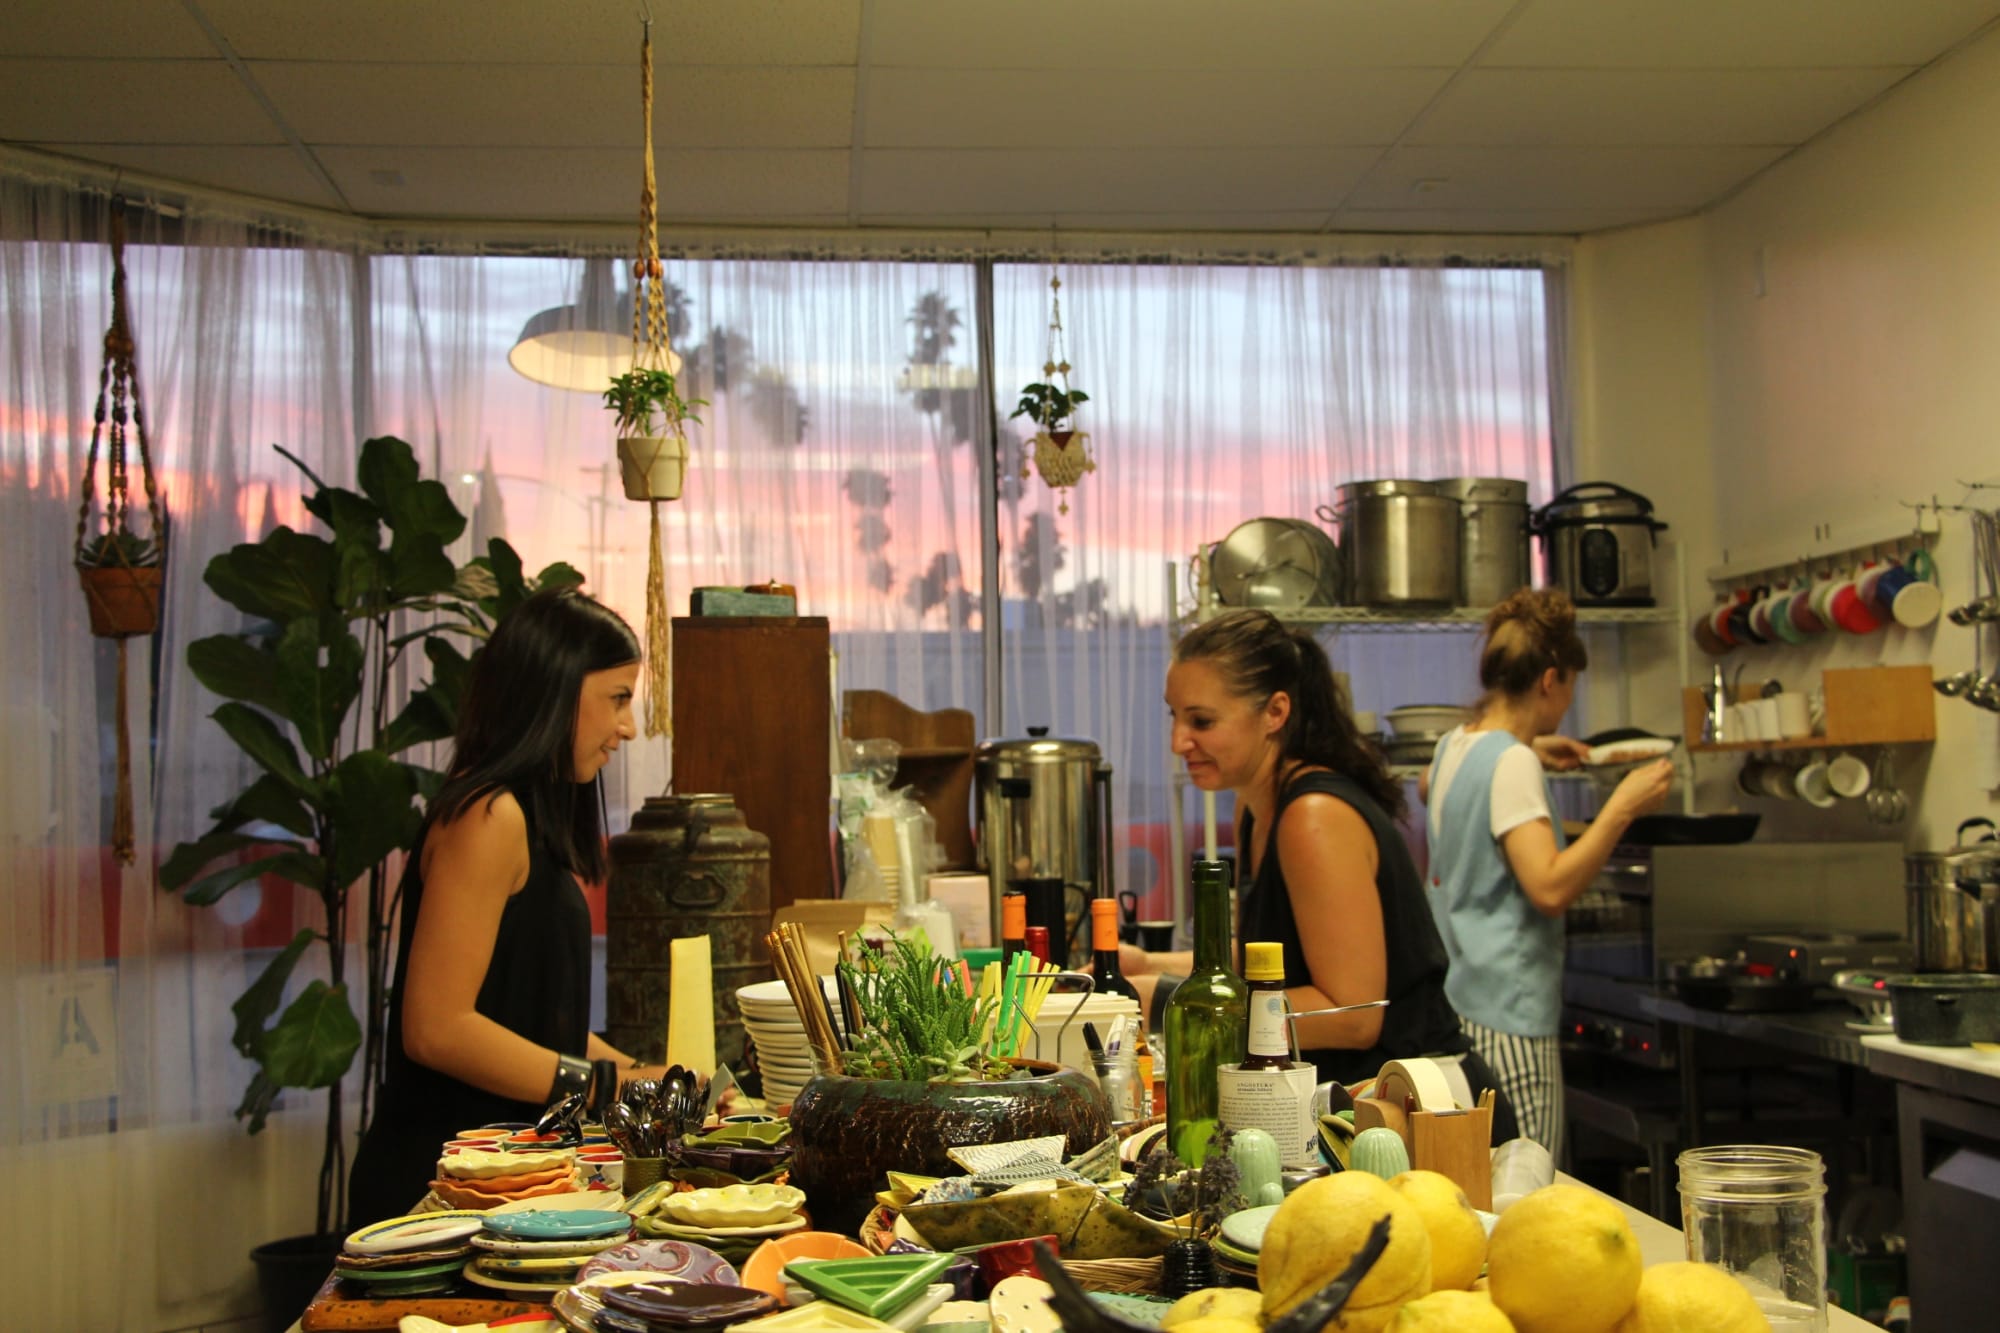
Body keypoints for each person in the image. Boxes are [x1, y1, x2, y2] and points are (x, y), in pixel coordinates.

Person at [348, 587, 664, 1225]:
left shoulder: (523, 817)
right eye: (619, 699)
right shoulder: (489, 816)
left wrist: (642, 1075)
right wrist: (605, 1086)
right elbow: (438, 1029)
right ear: (555, 691)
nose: (628, 728)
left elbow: (525, 1018)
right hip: (444, 1189)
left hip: (498, 1179)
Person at [1124, 609, 1499, 1105]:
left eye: (1202, 721)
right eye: (1174, 715)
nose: (1178, 742)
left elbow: (1351, 1015)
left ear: (1275, 713)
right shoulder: (1259, 809)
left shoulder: (1313, 816)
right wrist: (1150, 963)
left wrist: (1175, 1000)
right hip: (1357, 1095)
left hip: (1420, 1101)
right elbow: (1278, 961)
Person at [1423, 588, 1672, 1162]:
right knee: (1526, 1179)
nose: (1567, 702)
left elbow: (1438, 788)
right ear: (1550, 679)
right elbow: (1550, 887)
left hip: (1462, 1002)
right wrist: (1623, 806)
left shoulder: (1453, 746)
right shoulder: (1513, 762)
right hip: (1511, 1016)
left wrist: (1534, 744)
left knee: (1479, 1175)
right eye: (1570, 689)